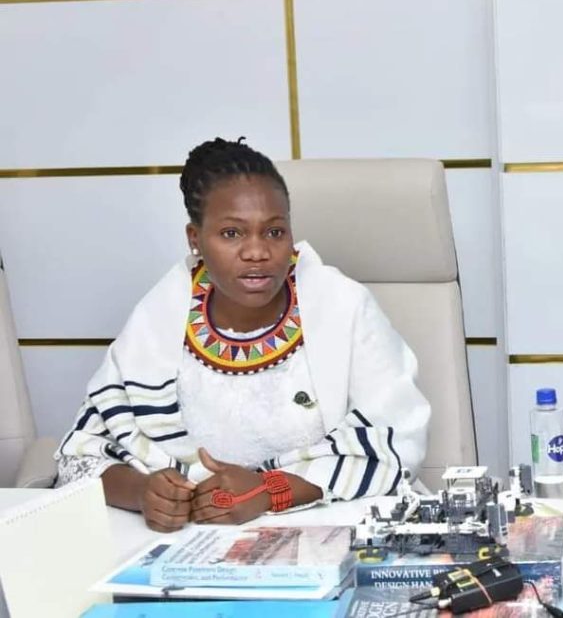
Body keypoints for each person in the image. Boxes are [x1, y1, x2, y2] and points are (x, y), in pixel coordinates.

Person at [55, 138, 430, 531]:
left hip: (330, 531)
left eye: (274, 232)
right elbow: (80, 456)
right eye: (232, 233)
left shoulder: (344, 307)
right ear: (195, 239)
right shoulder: (158, 318)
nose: (257, 252)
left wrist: (269, 491)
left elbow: (396, 444)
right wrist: (143, 492)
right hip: (189, 540)